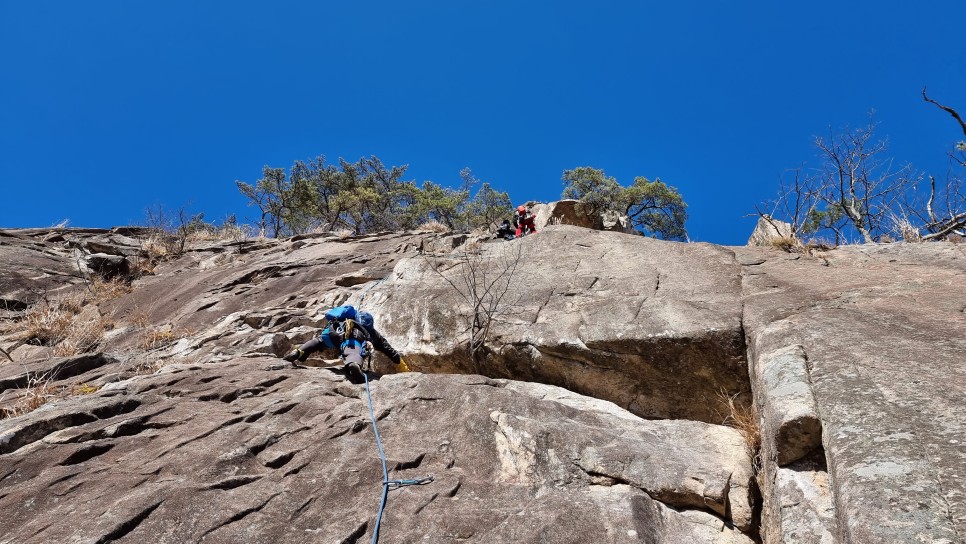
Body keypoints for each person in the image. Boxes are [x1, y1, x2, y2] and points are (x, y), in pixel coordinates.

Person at [283, 304, 410, 383]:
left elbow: (325, 337)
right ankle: (354, 365)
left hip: (332, 332)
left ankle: (299, 352)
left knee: (318, 341)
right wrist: (403, 366)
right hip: (352, 338)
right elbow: (389, 350)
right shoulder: (372, 334)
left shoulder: (345, 321)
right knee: (352, 349)